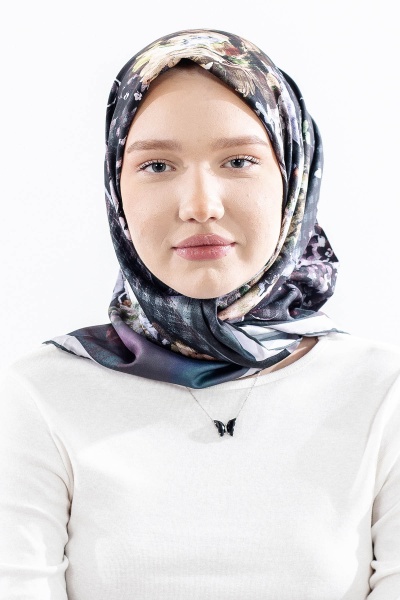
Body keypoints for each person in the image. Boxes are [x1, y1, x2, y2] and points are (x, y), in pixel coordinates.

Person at [0, 28, 399, 600]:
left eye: (238, 160)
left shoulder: (381, 391)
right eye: (157, 166)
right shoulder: (39, 394)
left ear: (292, 175)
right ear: (116, 187)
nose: (199, 206)